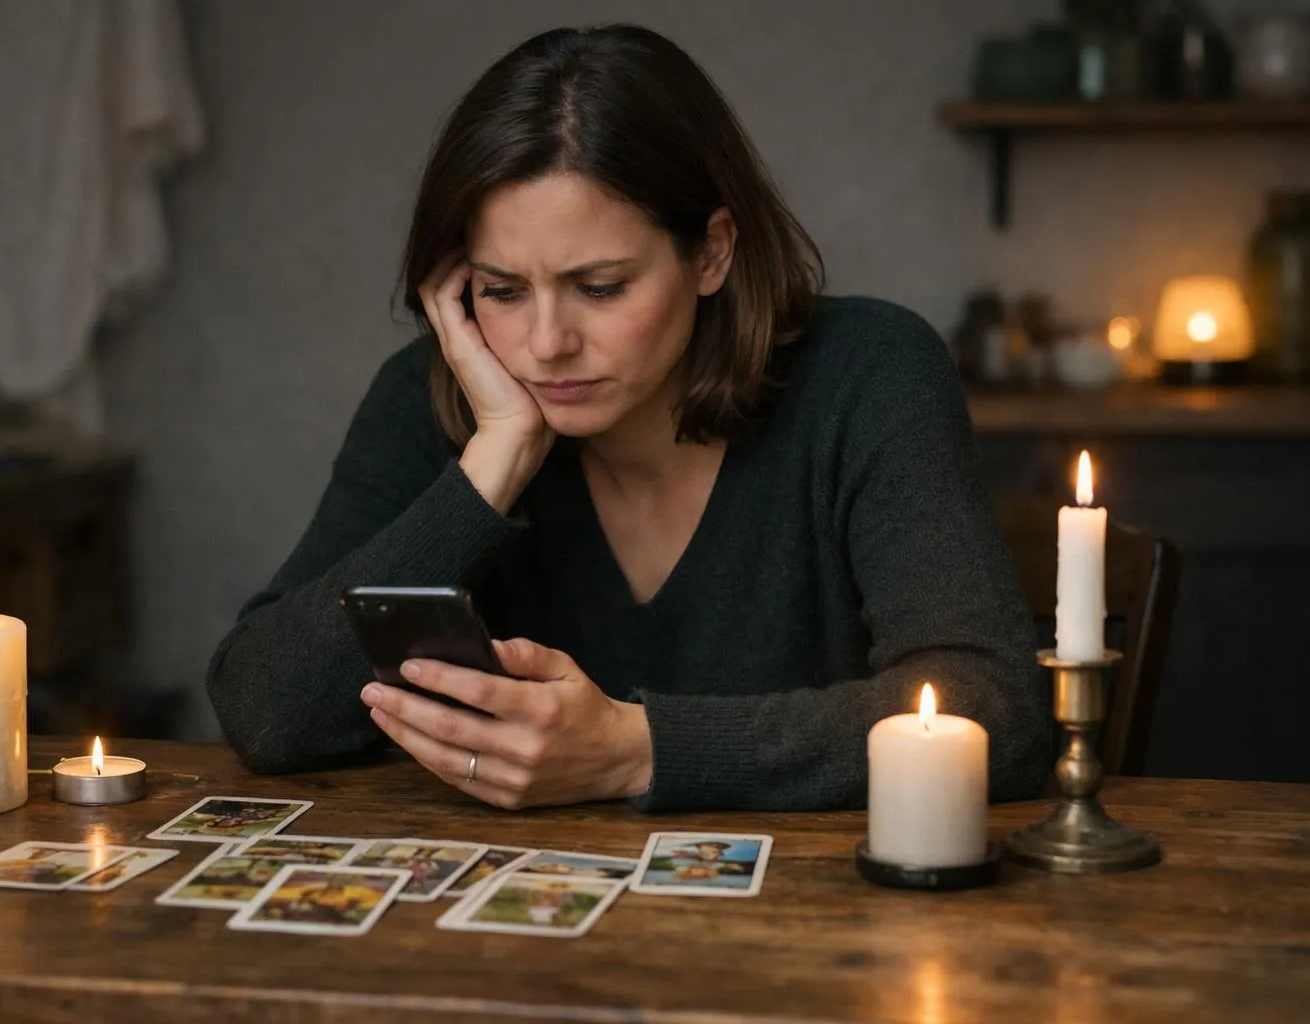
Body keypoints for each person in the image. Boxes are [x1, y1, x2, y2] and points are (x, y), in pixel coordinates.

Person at [206, 23, 1051, 812]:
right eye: (501, 291)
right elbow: (267, 714)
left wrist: (637, 750)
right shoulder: (434, 399)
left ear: (712, 252)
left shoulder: (869, 371)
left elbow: (998, 711)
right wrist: (492, 465)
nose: (545, 344)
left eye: (600, 287)